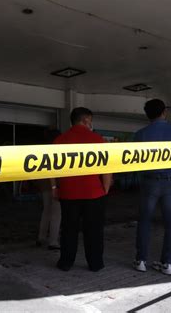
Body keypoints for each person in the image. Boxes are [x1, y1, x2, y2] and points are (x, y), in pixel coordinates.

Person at [52, 107, 112, 272]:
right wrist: (105, 188)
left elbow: (52, 167)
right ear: (86, 120)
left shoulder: (59, 140)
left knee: (68, 230)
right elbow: (106, 168)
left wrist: (54, 187)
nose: (91, 124)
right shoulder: (98, 139)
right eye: (90, 121)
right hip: (93, 193)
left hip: (68, 193)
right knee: (93, 231)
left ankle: (66, 262)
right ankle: (95, 264)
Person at [133, 99, 171, 275]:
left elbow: (135, 161)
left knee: (145, 220)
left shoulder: (140, 134)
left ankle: (141, 260)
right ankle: (167, 264)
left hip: (149, 181)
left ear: (147, 114)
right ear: (164, 111)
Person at [37, 129, 61, 250]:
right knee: (56, 213)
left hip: (43, 184)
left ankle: (41, 237)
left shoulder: (42, 150)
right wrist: (55, 186)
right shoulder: (55, 150)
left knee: (46, 211)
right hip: (54, 185)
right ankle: (53, 241)